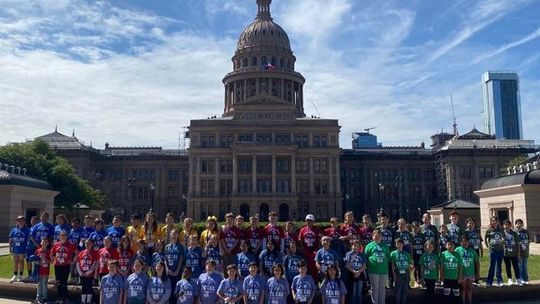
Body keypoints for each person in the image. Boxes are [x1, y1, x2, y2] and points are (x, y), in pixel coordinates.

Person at [50, 229, 77, 304]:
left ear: (67, 236)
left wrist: (73, 260)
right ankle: (59, 298)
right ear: (59, 236)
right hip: (58, 265)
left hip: (66, 265)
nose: (63, 237)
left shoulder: (70, 244)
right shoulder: (56, 244)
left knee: (64, 283)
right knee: (58, 282)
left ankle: (65, 298)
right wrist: (53, 261)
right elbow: (51, 253)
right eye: (61, 235)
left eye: (64, 235)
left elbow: (77, 252)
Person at [364, 229, 390, 304]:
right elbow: (366, 257)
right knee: (375, 288)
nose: (377, 237)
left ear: (381, 237)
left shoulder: (385, 246)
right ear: (372, 236)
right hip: (373, 270)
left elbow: (388, 257)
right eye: (376, 236)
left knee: (382, 289)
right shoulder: (369, 246)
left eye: (379, 236)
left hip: (383, 270)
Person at [455, 236, 479, 304]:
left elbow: (477, 262)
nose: (464, 243)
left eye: (466, 241)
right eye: (463, 241)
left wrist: (477, 273)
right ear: (460, 242)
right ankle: (463, 302)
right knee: (463, 288)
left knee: (469, 288)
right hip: (462, 273)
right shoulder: (457, 250)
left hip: (470, 272)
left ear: (468, 242)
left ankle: (469, 301)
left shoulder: (472, 250)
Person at [298, 214, 321, 280]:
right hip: (306, 251)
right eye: (307, 220)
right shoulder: (303, 230)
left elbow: (320, 239)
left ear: (313, 221)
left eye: (310, 221)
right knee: (306, 267)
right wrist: (302, 249)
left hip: (314, 251)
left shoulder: (316, 229)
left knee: (314, 267)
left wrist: (318, 250)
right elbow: (300, 240)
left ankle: (315, 282)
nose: (309, 222)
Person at [77, 238, 99, 304]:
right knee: (83, 287)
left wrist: (88, 272)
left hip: (90, 274)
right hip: (82, 273)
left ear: (92, 244)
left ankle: (89, 301)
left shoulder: (94, 253)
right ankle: (83, 301)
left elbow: (95, 264)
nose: (88, 245)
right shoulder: (81, 252)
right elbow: (78, 263)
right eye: (86, 243)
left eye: (89, 244)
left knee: (89, 287)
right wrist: (80, 272)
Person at [344, 240, 366, 304]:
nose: (355, 247)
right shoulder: (348, 254)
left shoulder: (362, 255)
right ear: (351, 246)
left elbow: (364, 266)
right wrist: (354, 272)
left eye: (357, 246)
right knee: (352, 292)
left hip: (360, 275)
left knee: (359, 292)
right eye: (354, 245)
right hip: (351, 275)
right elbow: (347, 265)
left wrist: (358, 272)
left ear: (359, 247)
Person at [390, 238, 412, 304]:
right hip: (397, 273)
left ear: (402, 244)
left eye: (400, 244)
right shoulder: (393, 253)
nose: (399, 245)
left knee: (405, 290)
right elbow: (392, 265)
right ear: (395, 245)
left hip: (406, 273)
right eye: (397, 244)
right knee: (398, 291)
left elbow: (409, 264)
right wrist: (394, 276)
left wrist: (411, 268)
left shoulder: (407, 254)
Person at [9, 215, 29, 283]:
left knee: (21, 262)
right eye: (19, 220)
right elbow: (11, 239)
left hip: (23, 249)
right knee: (15, 262)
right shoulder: (14, 229)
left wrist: (27, 249)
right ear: (17, 221)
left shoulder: (27, 230)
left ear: (24, 222)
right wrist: (10, 248)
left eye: (22, 221)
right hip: (15, 249)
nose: (20, 222)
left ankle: (20, 275)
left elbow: (28, 240)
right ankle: (14, 275)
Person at [484, 216, 504, 287]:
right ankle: (489, 281)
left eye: (495, 221)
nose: (494, 222)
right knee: (492, 265)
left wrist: (502, 241)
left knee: (499, 266)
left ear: (498, 222)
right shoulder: (489, 230)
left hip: (500, 250)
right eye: (492, 221)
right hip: (493, 250)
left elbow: (503, 237)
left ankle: (500, 281)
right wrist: (487, 246)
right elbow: (485, 237)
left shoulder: (501, 230)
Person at [164, 230, 184, 297]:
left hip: (177, 272)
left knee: (176, 289)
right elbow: (165, 259)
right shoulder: (167, 247)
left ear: (178, 235)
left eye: (175, 234)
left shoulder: (180, 246)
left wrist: (177, 271)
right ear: (170, 235)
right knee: (169, 289)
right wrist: (167, 269)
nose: (174, 236)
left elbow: (181, 259)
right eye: (172, 234)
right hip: (169, 272)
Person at [502, 220, 520, 286]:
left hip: (514, 253)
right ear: (503, 226)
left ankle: (518, 279)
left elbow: (517, 244)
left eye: (508, 225)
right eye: (505, 225)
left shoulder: (514, 234)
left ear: (510, 226)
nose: (506, 226)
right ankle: (510, 279)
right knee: (508, 267)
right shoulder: (502, 233)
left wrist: (518, 254)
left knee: (516, 267)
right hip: (506, 254)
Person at [34, 237, 51, 304]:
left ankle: (45, 297)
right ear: (41, 243)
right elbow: (34, 260)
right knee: (39, 284)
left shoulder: (48, 251)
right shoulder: (37, 251)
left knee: (44, 284)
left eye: (45, 242)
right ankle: (38, 297)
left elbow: (51, 261)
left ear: (47, 243)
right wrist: (38, 262)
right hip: (39, 270)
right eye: (43, 242)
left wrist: (46, 260)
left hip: (45, 270)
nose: (44, 243)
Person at [515, 218, 530, 285]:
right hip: (517, 252)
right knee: (519, 266)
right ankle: (519, 279)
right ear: (515, 225)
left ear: (523, 224)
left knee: (525, 266)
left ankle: (525, 279)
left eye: (520, 223)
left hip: (525, 252)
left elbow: (529, 240)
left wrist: (525, 244)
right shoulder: (514, 232)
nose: (519, 225)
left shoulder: (526, 232)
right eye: (517, 224)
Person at [410, 222, 425, 288]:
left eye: (416, 227)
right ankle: (415, 281)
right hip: (414, 254)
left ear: (419, 228)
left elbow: (425, 244)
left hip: (421, 254)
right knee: (414, 268)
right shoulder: (411, 235)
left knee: (421, 267)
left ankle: (421, 281)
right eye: (413, 227)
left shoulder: (422, 235)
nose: (415, 229)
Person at [25, 215, 40, 282]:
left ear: (37, 222)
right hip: (28, 248)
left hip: (34, 248)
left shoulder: (38, 229)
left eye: (34, 221)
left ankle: (35, 276)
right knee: (28, 261)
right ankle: (30, 275)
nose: (33, 222)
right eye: (32, 221)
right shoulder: (30, 228)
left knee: (35, 261)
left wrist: (37, 246)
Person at [69, 217, 83, 284]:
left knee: (77, 264)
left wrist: (79, 249)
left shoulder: (81, 231)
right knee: (71, 264)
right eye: (73, 223)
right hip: (71, 251)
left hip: (78, 250)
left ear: (79, 224)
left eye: (77, 223)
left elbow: (81, 242)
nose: (75, 224)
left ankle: (77, 278)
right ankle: (72, 277)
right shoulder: (71, 231)